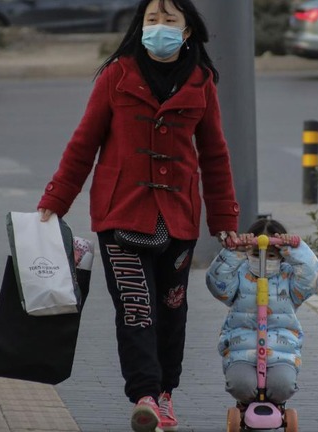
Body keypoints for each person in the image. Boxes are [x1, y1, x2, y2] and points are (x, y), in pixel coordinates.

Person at [36, 0, 240, 431]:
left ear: (186, 32)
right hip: (121, 215)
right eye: (151, 20)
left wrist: (224, 220)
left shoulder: (202, 83)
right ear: (139, 27)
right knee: (135, 309)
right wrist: (55, 199)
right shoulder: (117, 76)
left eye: (169, 20)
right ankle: (144, 395)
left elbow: (215, 155)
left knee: (171, 311)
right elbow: (83, 144)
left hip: (178, 220)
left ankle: (166, 393)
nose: (159, 27)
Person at [205, 218, 318, 409]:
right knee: (241, 385)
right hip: (241, 350)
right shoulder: (241, 275)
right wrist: (235, 251)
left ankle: (277, 402)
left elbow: (313, 278)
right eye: (256, 253)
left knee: (282, 387)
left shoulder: (289, 279)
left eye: (271, 255)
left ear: (281, 257)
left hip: (281, 351)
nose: (263, 260)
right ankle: (244, 403)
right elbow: (217, 283)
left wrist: (294, 249)